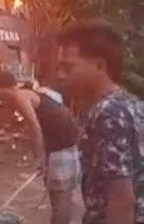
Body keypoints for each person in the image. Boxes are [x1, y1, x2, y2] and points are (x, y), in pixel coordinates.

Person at [56, 21, 143, 224]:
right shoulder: (131, 104)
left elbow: (121, 200)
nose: (60, 75)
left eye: (68, 67)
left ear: (100, 66)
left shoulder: (109, 114)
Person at [0, 71, 81, 224]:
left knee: (60, 198)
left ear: (0, 91)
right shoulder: (30, 92)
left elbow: (35, 127)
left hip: (62, 147)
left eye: (0, 98)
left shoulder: (20, 97)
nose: (4, 103)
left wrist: (39, 158)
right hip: (66, 143)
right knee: (60, 196)